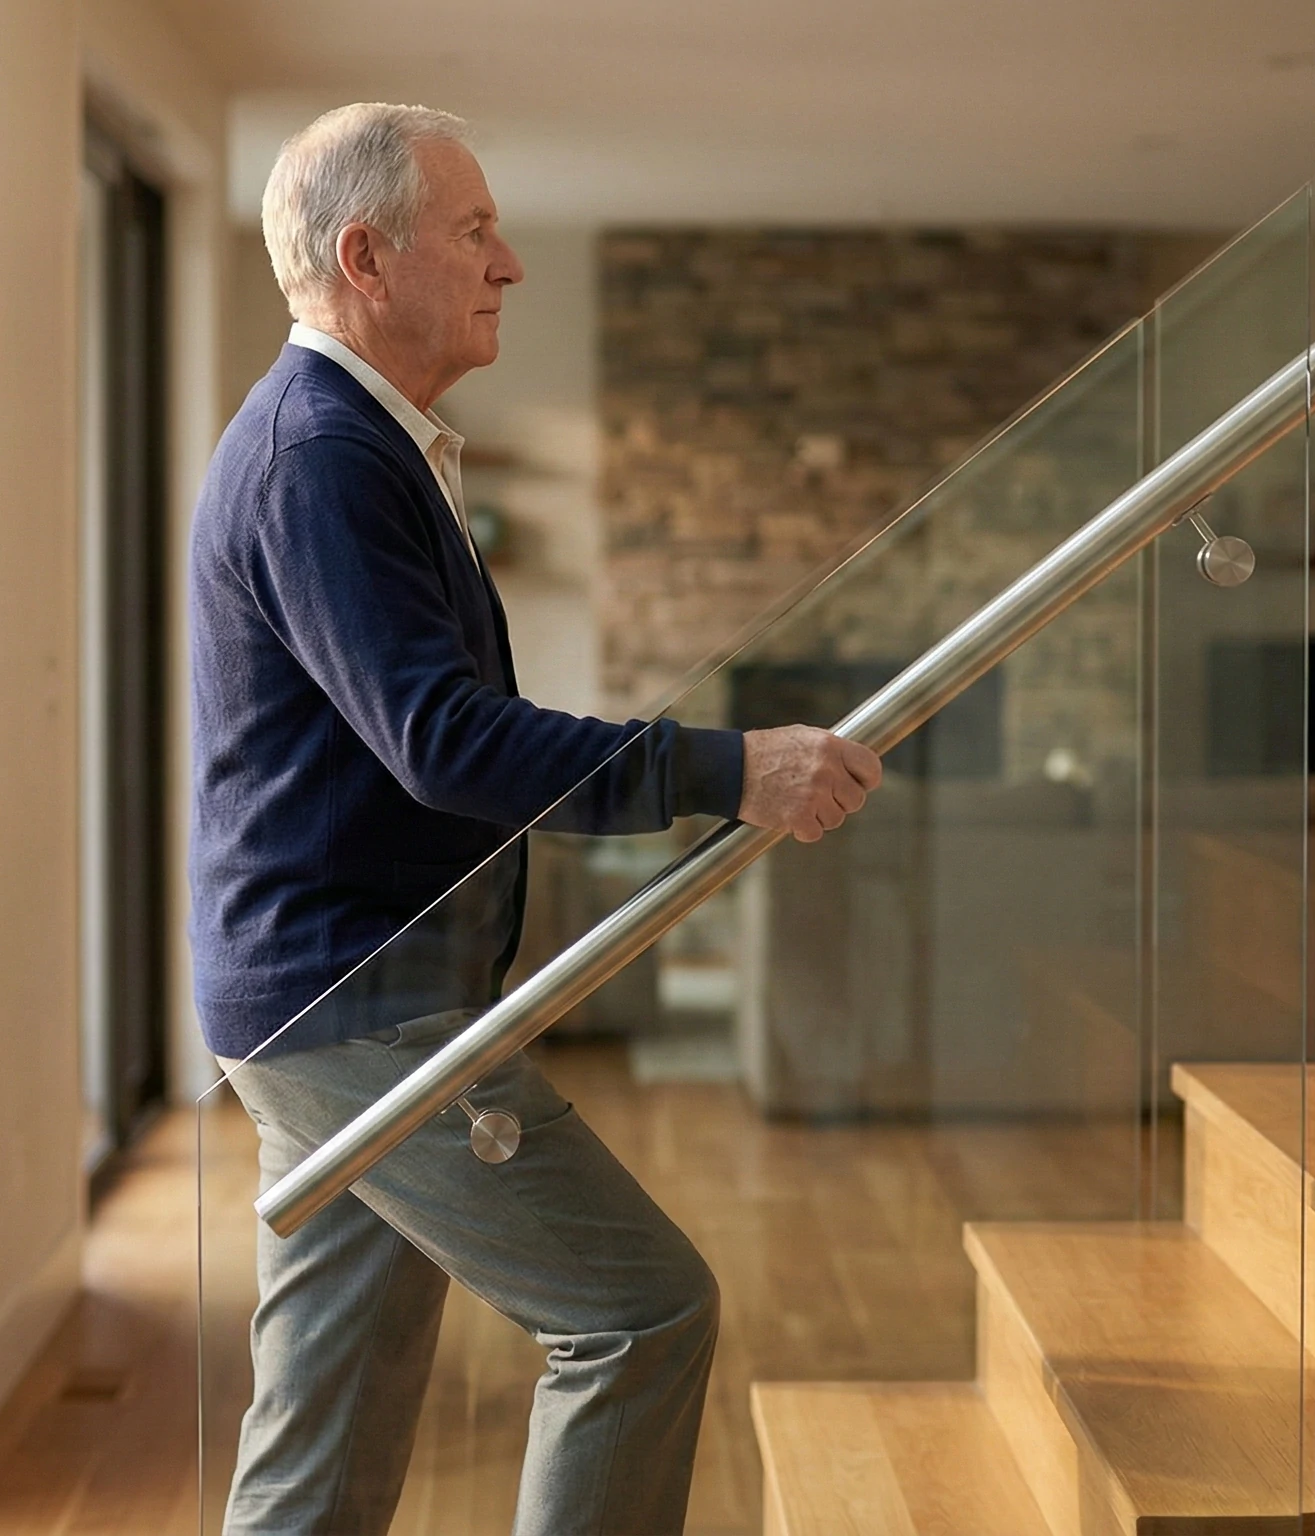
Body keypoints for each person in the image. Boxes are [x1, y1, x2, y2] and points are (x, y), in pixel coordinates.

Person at [190, 102, 883, 1535]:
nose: (509, 264)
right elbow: (441, 742)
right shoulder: (324, 454)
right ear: (367, 257)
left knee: (325, 1434)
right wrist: (728, 770)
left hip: (335, 996)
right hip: (354, 1007)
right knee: (639, 1316)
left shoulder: (349, 441)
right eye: (476, 231)